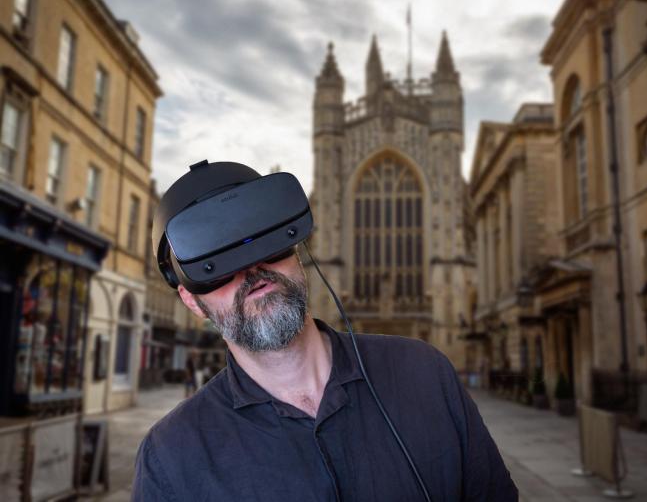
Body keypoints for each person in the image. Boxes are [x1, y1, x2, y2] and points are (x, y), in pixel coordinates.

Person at [132, 163, 517, 501]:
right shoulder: (172, 456)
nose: (250, 271)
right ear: (190, 300)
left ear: (297, 247)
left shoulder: (426, 374)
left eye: (263, 242)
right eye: (213, 267)